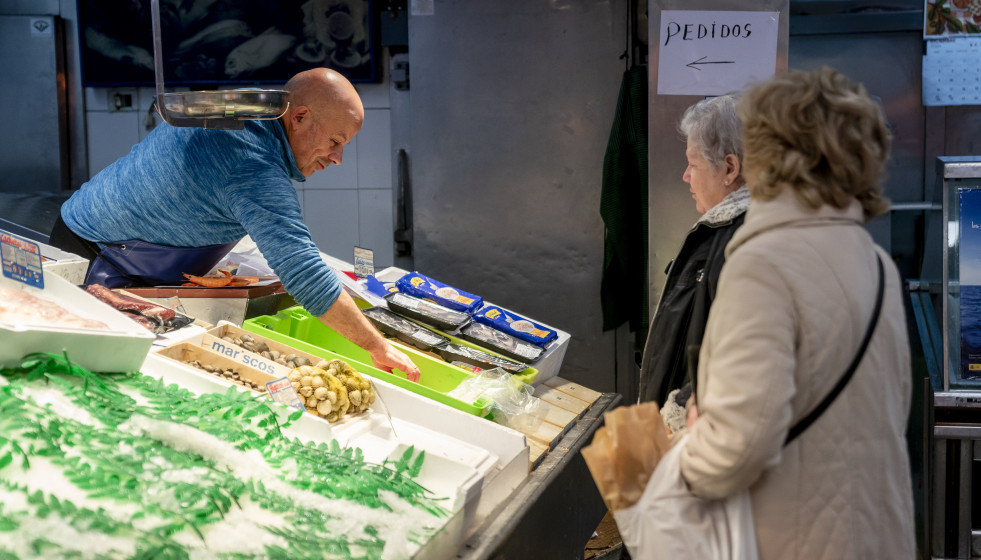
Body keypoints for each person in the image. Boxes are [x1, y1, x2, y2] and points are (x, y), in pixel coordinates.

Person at [49, 68, 421, 380]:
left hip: (98, 231)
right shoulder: (252, 165)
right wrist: (378, 346)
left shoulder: (252, 110)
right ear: (301, 116)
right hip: (96, 257)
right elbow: (302, 270)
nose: (338, 158)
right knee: (86, 373)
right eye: (335, 141)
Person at [680, 66, 915, 558]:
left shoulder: (762, 264)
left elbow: (738, 450)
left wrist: (690, 445)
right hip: (876, 536)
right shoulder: (875, 263)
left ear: (768, 153)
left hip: (793, 539)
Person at [637, 94, 750, 431]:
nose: (686, 176)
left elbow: (738, 369)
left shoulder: (743, 243)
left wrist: (677, 419)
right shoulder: (722, 230)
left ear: (729, 168)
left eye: (693, 163)